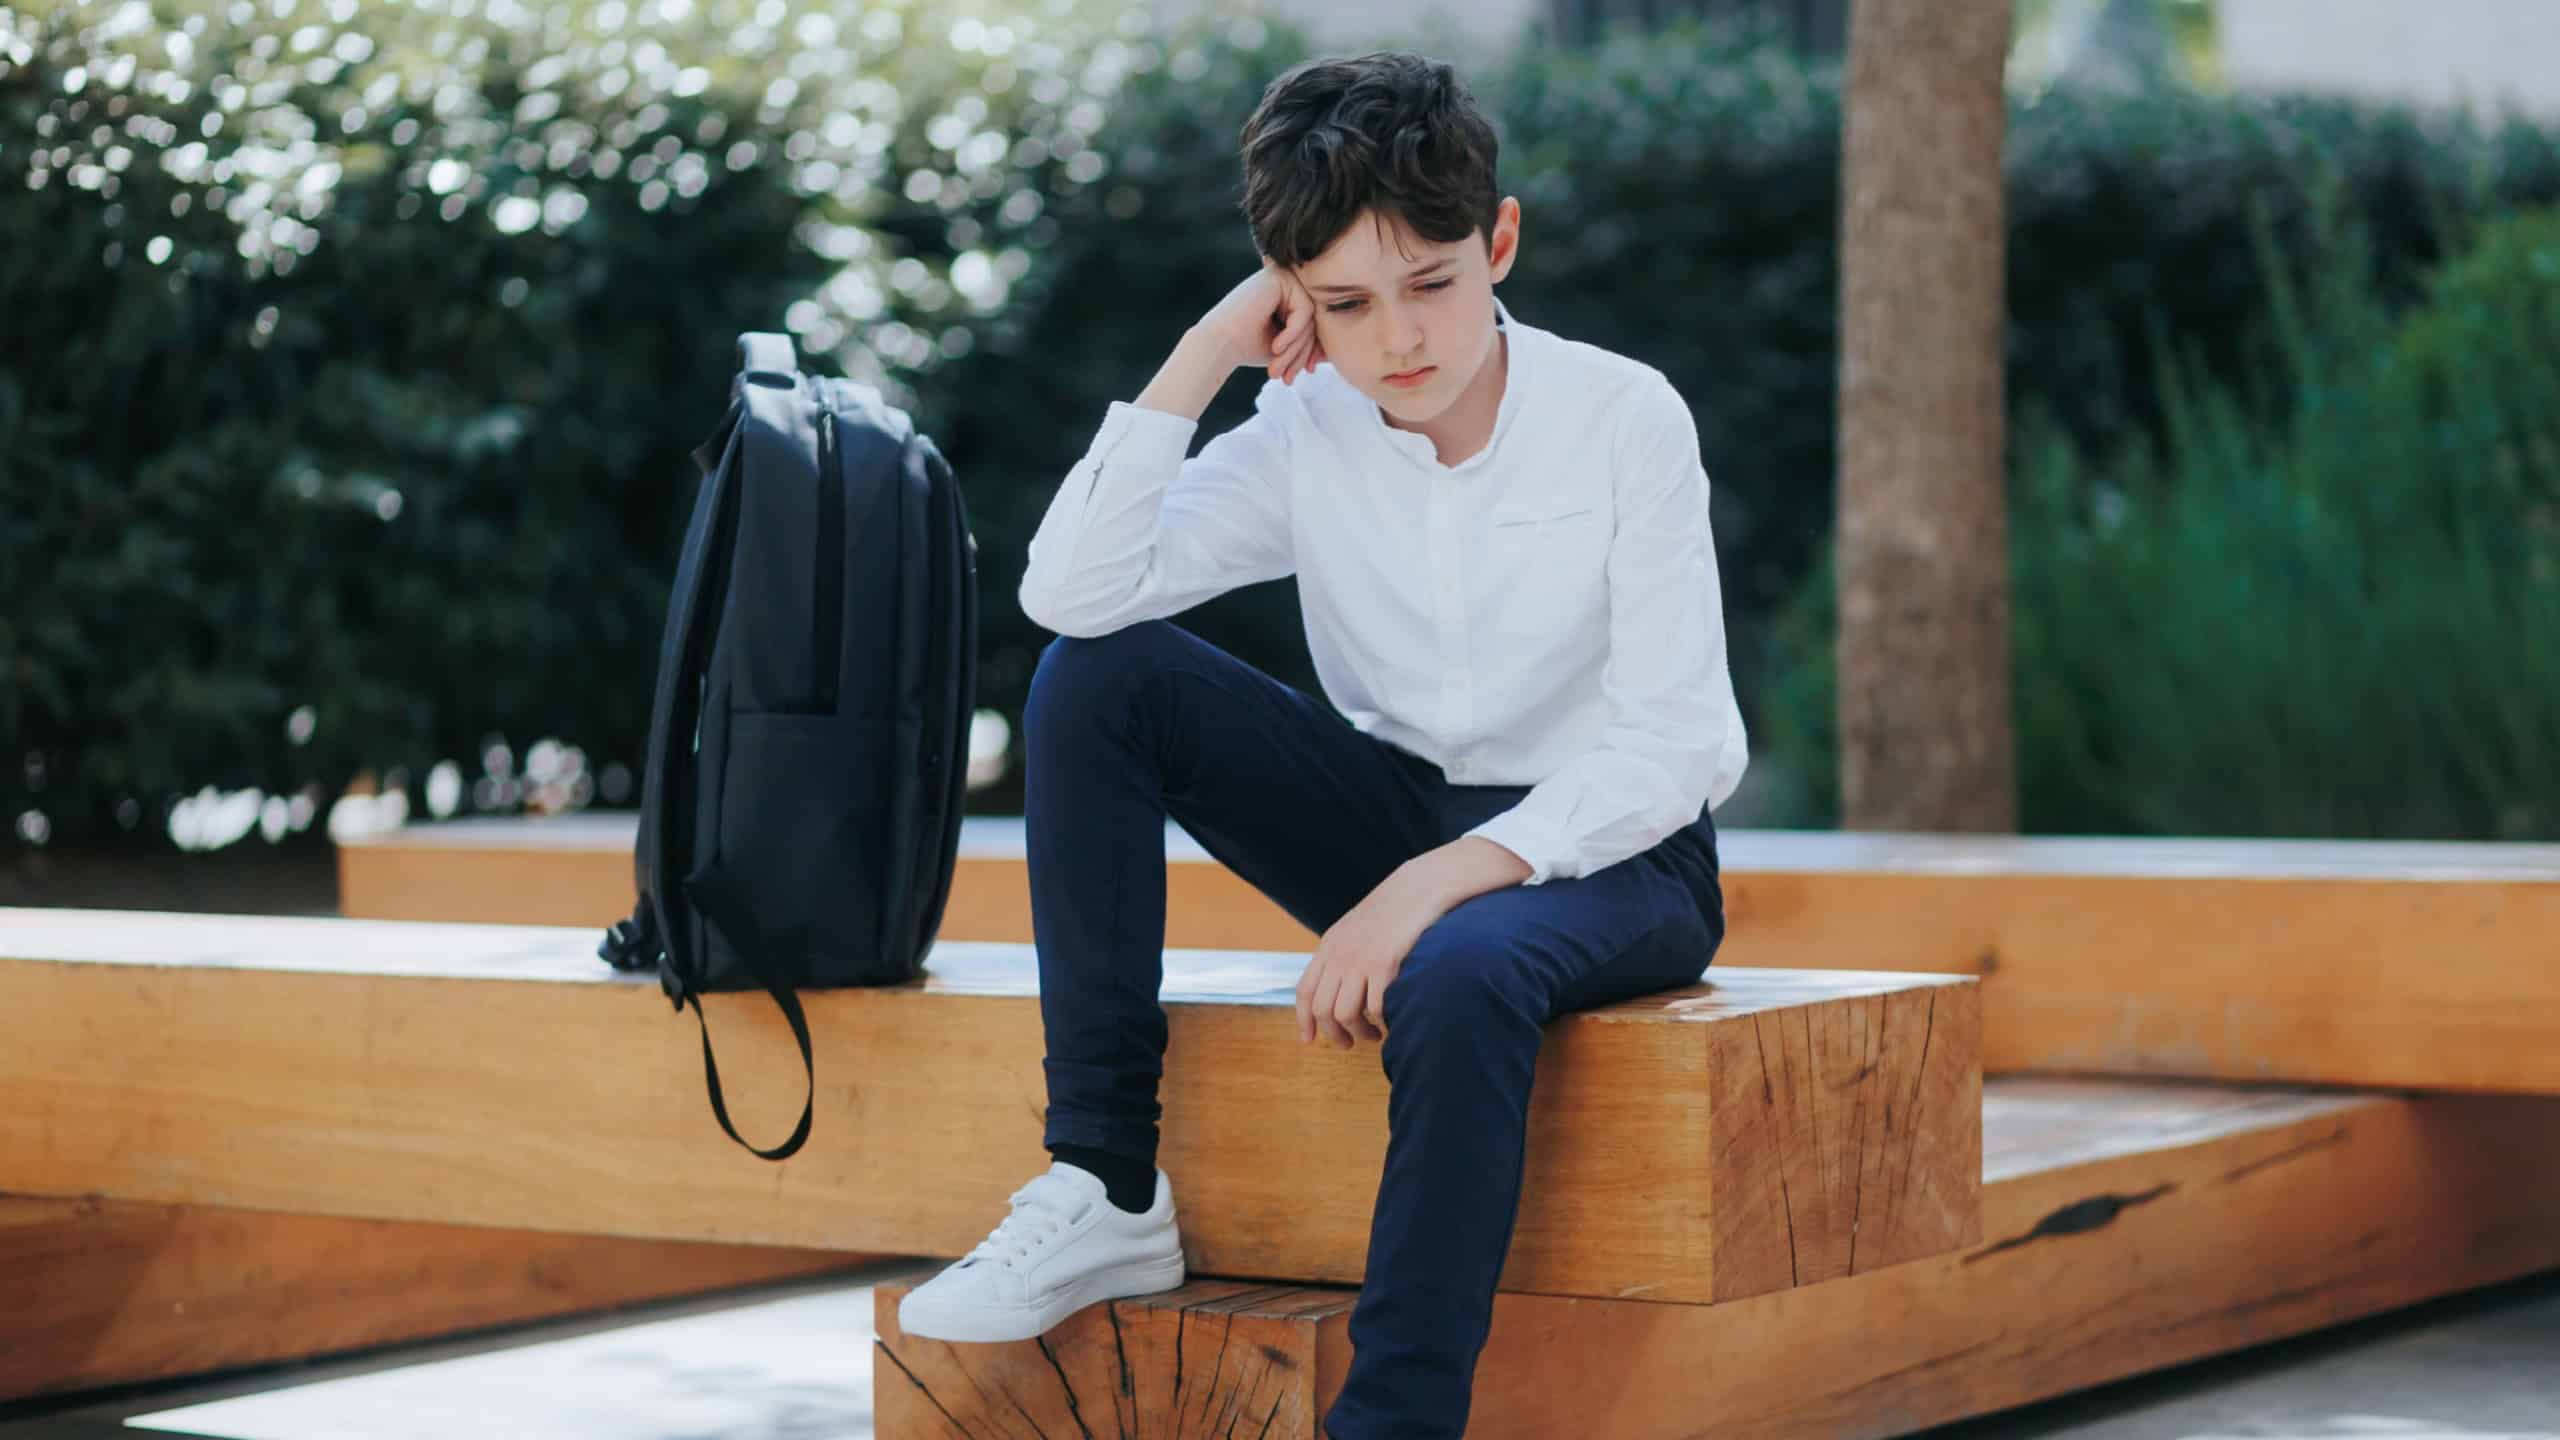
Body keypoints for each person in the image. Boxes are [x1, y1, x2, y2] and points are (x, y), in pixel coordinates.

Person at [895, 48, 1746, 1439]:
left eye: (1431, 284)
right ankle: (1104, 1180)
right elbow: (1072, 595)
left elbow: (1674, 745)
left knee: (1463, 973)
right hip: (1399, 815)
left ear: (1501, 241)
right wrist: (1207, 355)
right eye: (1344, 303)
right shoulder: (1307, 423)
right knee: (1094, 680)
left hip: (1625, 857)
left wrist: (1424, 889)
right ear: (1294, 297)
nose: (1397, 339)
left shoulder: (1622, 417)